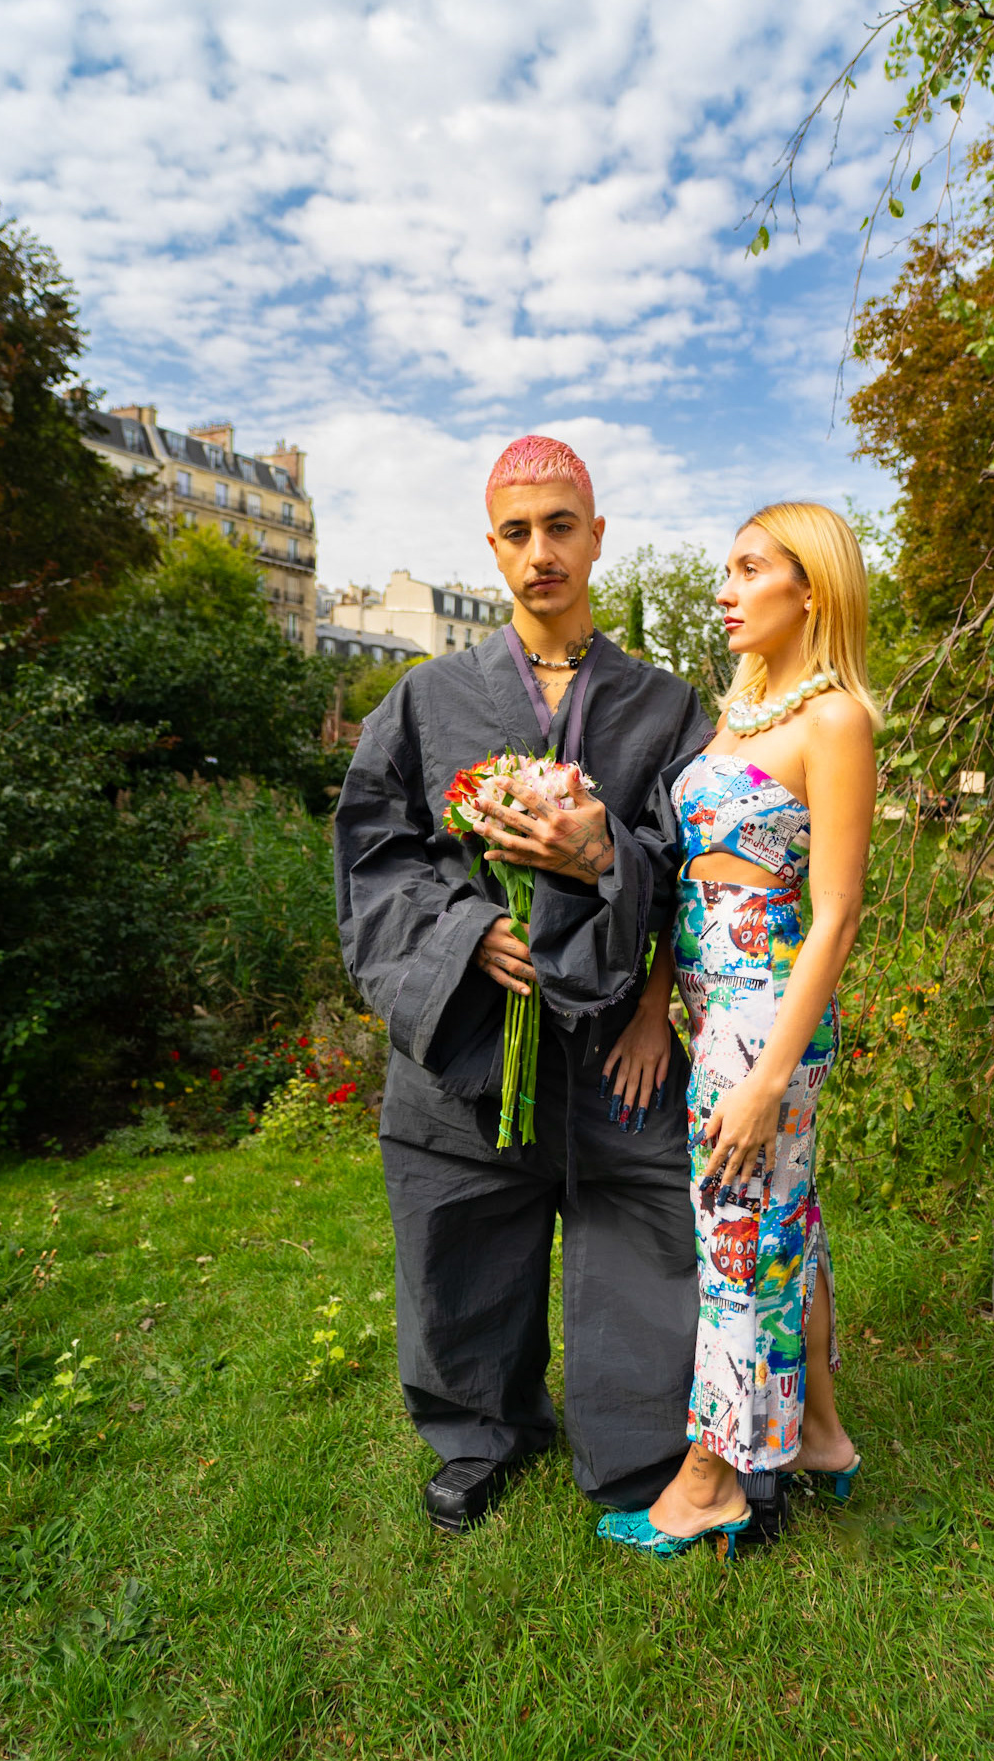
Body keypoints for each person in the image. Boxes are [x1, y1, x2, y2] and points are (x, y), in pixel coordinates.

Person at [334, 436, 711, 1531]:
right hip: (470, 1034)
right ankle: (477, 1431)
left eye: (559, 526)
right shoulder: (425, 699)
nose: (540, 551)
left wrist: (649, 991)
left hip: (614, 1038)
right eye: (516, 531)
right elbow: (374, 855)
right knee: (458, 1224)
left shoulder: (666, 706)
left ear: (596, 537)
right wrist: (465, 933)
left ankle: (643, 1441)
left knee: (642, 1223)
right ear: (492, 548)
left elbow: (698, 870)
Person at [596, 501, 880, 1559]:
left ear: (811, 587)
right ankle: (820, 1436)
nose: (725, 589)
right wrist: (657, 998)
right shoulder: (745, 708)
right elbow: (685, 873)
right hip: (714, 1004)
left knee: (737, 1235)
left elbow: (837, 913)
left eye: (749, 568)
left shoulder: (835, 719)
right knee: (782, 1222)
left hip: (765, 1015)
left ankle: (711, 1480)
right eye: (727, 569)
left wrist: (763, 1080)